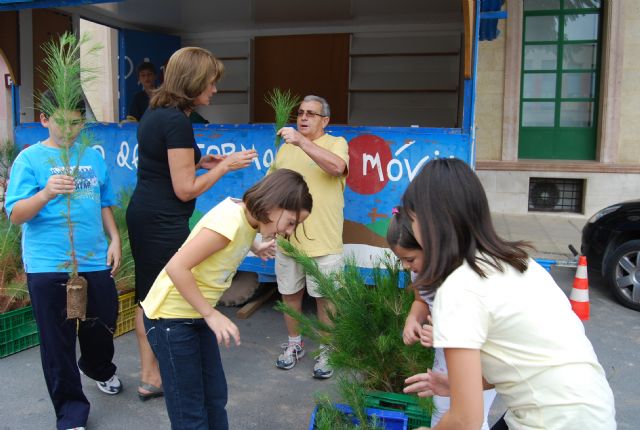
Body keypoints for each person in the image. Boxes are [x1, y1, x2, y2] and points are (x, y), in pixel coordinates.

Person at [401, 158, 616, 430]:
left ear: (431, 222)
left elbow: (464, 421)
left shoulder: (459, 288)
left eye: (413, 220)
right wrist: (455, 384)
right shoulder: (520, 262)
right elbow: (525, 361)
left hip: (553, 421)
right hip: (593, 410)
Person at [126, 47, 257, 402]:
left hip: (147, 214)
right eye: (211, 83)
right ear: (194, 81)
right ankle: (154, 375)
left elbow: (163, 163)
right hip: (161, 220)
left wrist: (202, 161)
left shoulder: (158, 111)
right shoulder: (177, 122)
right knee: (157, 299)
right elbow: (184, 190)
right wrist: (223, 167)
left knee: (149, 295)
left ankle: (152, 372)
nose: (214, 90)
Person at [141, 169, 312, 429]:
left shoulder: (247, 216)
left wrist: (255, 246)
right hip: (171, 319)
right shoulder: (229, 223)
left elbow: (240, 231)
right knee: (190, 411)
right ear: (273, 204)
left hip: (196, 314)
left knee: (214, 396)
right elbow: (177, 267)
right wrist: (211, 314)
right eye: (290, 222)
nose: (289, 231)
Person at [5, 90, 122, 430]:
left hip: (93, 259)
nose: (71, 130)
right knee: (57, 343)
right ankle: (71, 412)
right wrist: (46, 193)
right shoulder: (29, 160)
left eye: (77, 123)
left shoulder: (92, 157)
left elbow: (104, 201)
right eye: (63, 122)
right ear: (44, 119)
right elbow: (15, 215)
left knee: (102, 325)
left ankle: (98, 368)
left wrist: (114, 239)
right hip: (46, 264)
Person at [387, 206, 497, 429]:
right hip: (444, 358)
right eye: (401, 260)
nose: (407, 267)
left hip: (476, 361)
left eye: (409, 259)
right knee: (441, 411)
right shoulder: (418, 270)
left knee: (470, 418)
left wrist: (444, 335)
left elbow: (477, 336)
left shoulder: (463, 280)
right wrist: (412, 319)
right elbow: (421, 301)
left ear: (431, 247)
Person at [271, 95, 349, 379]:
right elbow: (272, 190)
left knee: (325, 299)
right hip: (287, 241)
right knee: (289, 294)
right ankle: (295, 345)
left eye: (311, 114)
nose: (303, 118)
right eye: (300, 113)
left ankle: (328, 348)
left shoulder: (336, 143)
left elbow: (337, 167)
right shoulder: (285, 150)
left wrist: (302, 142)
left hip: (324, 240)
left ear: (324, 120)